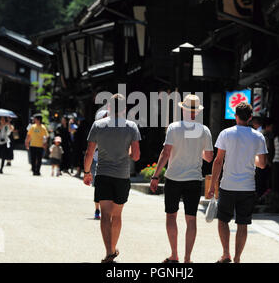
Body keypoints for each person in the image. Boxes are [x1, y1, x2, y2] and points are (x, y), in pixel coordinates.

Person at [150, 94, 214, 263]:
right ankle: (187, 258)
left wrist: (156, 176)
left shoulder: (173, 128)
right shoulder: (204, 130)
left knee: (171, 216)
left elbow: (166, 153)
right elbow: (209, 158)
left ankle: (174, 255)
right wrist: (197, 150)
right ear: (197, 112)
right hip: (193, 179)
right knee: (191, 219)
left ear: (184, 110)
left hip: (173, 178)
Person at [83, 94, 141, 263]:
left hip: (103, 174)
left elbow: (89, 152)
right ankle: (113, 248)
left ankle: (109, 251)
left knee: (105, 214)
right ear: (124, 109)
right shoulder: (131, 127)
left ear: (108, 108)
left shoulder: (98, 125)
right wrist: (125, 152)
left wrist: (87, 172)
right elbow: (136, 155)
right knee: (117, 215)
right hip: (122, 176)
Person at [208, 102, 267, 263]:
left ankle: (226, 253)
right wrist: (251, 157)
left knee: (223, 220)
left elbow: (218, 161)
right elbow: (262, 164)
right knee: (243, 223)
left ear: (235, 116)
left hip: (227, 185)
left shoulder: (226, 134)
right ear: (249, 118)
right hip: (248, 187)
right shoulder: (258, 136)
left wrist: (213, 185)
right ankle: (237, 258)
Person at [92, 109, 109, 220]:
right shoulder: (97, 128)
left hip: (110, 160)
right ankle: (97, 209)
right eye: (105, 116)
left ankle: (106, 209)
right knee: (98, 186)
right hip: (97, 159)